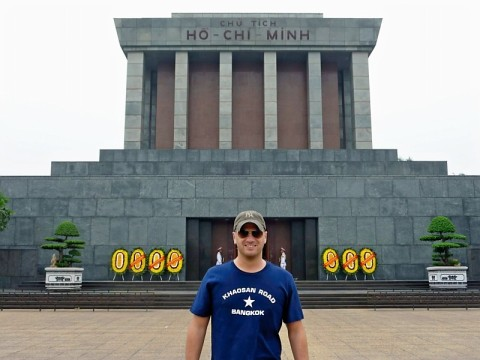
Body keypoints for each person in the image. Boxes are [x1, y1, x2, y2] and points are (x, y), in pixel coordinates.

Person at [186, 210, 309, 359]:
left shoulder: (283, 280)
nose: (250, 239)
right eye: (243, 233)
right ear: (234, 237)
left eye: (256, 233)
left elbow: (296, 330)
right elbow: (198, 326)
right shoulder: (214, 277)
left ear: (265, 236)